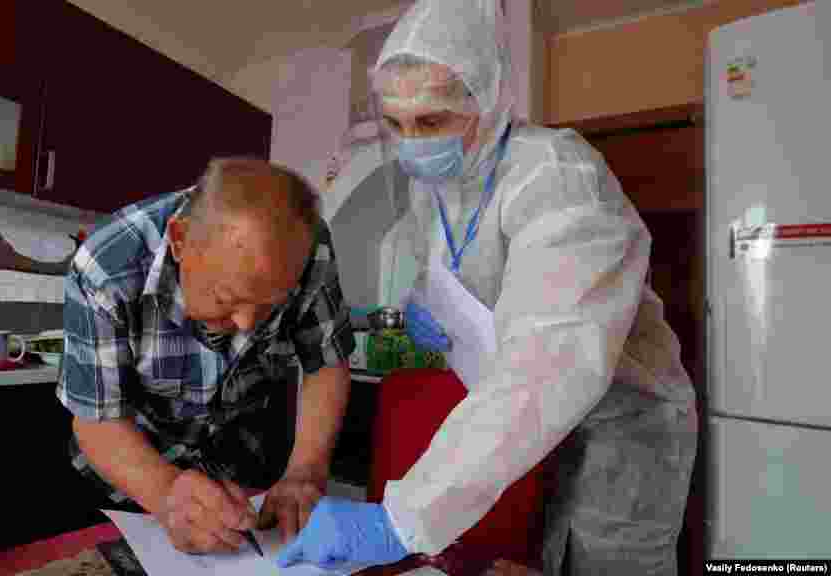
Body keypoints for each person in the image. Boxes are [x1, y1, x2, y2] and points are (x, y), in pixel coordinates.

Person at [276, 0, 698, 574]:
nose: (410, 143)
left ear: (488, 100)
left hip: (622, 426)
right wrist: (426, 308)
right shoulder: (434, 190)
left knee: (610, 564)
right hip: (540, 428)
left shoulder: (556, 177)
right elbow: (448, 272)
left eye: (431, 122)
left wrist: (401, 520)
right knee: (548, 558)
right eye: (395, 124)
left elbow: (549, 360)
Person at [57, 157, 355, 555]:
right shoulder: (106, 267)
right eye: (226, 298)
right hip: (132, 472)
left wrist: (306, 469)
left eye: (270, 305)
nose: (247, 324)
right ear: (179, 240)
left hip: (243, 467)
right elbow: (98, 420)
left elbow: (326, 364)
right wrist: (165, 493)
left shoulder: (305, 245)